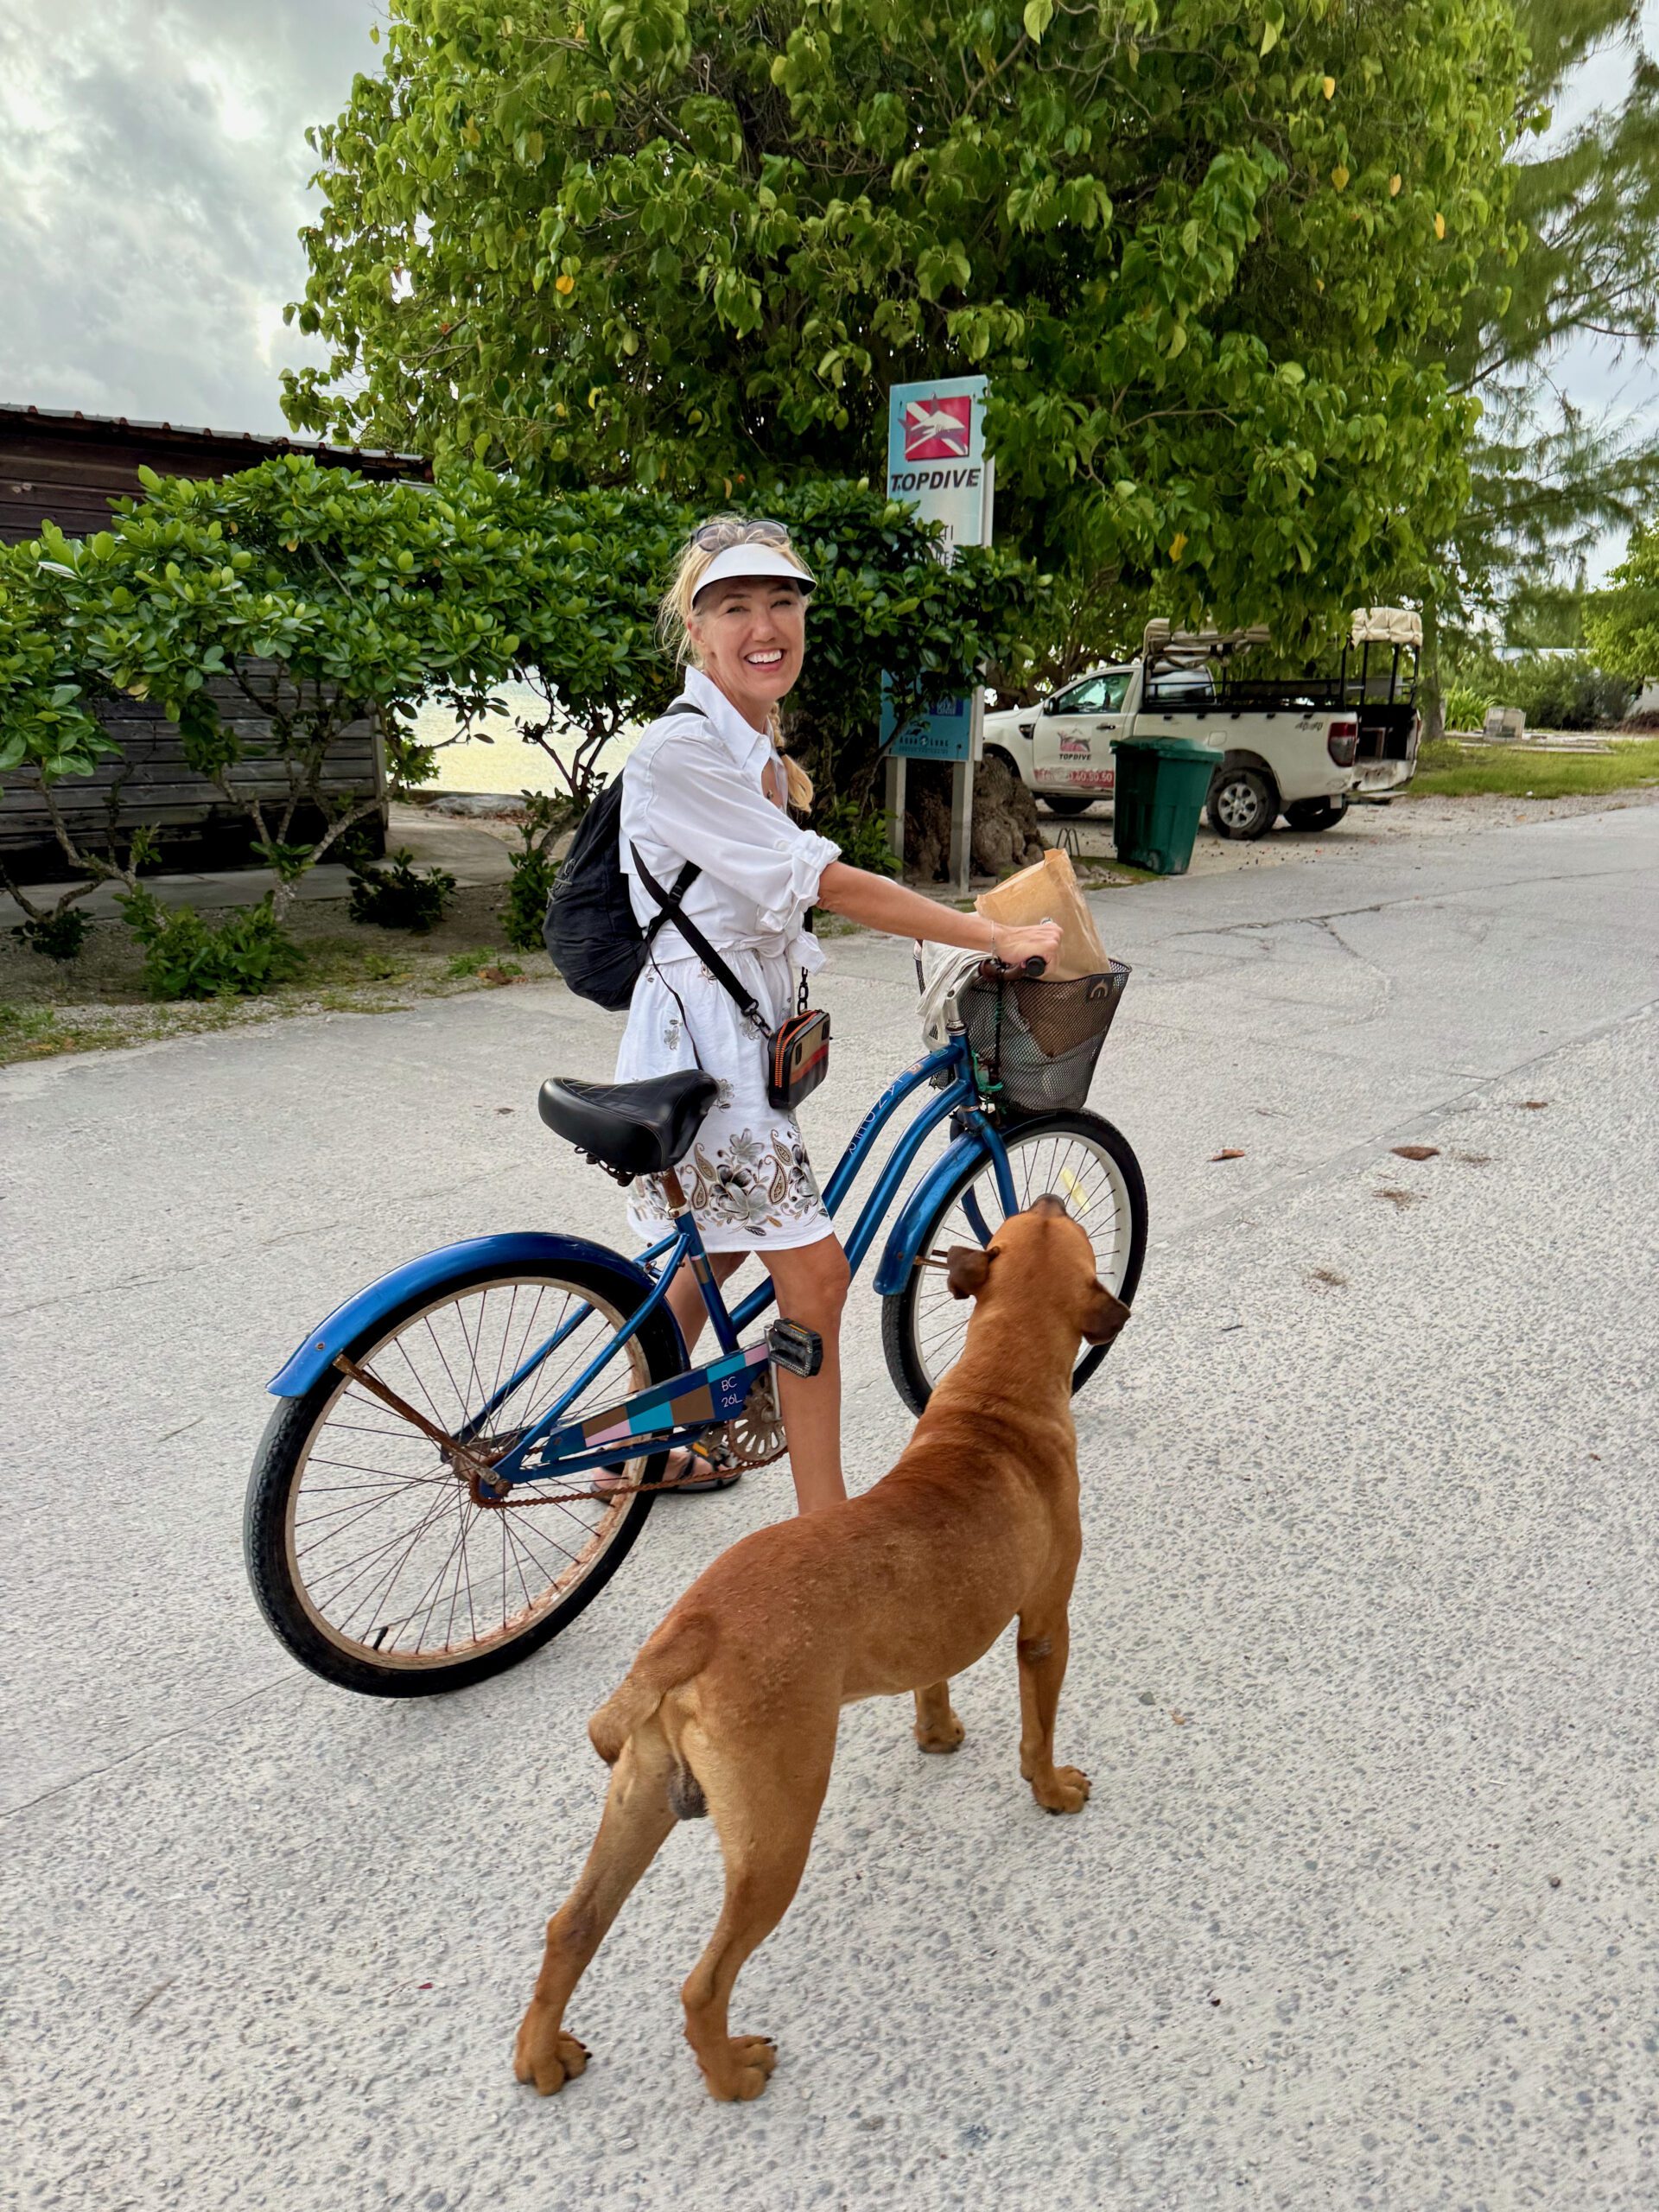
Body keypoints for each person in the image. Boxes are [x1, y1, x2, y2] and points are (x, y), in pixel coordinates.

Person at [615, 516, 1061, 1515]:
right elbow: (826, 882)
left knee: (724, 1243)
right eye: (735, 607)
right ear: (696, 630)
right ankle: (828, 1535)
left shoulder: (757, 751)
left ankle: (632, 1446)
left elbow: (773, 903)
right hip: (702, 1052)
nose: (764, 625)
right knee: (815, 1283)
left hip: (729, 1040)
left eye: (782, 602)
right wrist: (986, 935)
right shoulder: (681, 751)